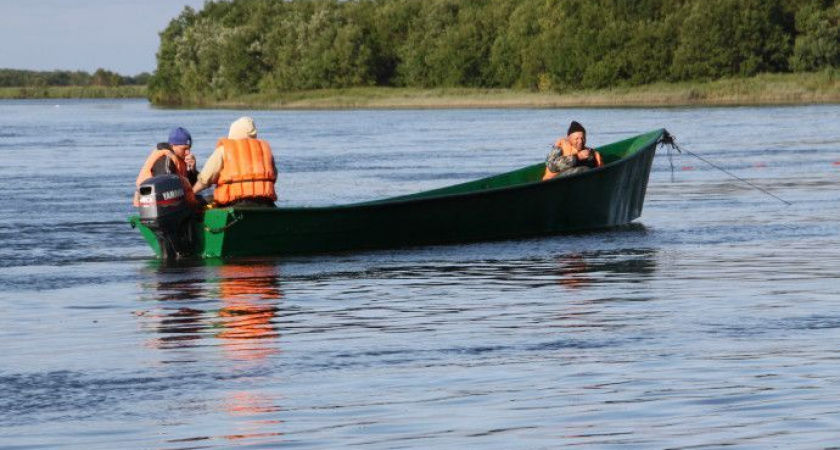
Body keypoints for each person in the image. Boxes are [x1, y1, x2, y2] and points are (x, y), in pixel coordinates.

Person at [193, 116, 277, 207]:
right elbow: (274, 176)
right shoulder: (265, 150)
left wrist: (192, 193)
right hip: (266, 203)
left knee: (202, 201)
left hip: (235, 204)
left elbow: (205, 179)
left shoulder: (224, 149)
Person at [134, 127, 199, 206]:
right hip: (156, 204)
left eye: (189, 149)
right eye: (184, 149)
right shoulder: (164, 158)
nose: (188, 153)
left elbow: (193, 187)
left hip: (172, 203)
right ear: (172, 146)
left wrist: (193, 170)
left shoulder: (179, 160)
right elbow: (166, 186)